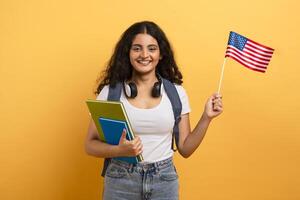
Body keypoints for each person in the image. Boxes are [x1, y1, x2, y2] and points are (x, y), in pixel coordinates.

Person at [85, 21, 223, 200]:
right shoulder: (111, 93)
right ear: (127, 53)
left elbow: (186, 149)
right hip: (120, 179)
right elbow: (90, 145)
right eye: (137, 48)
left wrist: (207, 117)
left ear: (161, 54)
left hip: (164, 179)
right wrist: (120, 150)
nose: (144, 55)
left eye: (151, 48)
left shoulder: (176, 93)